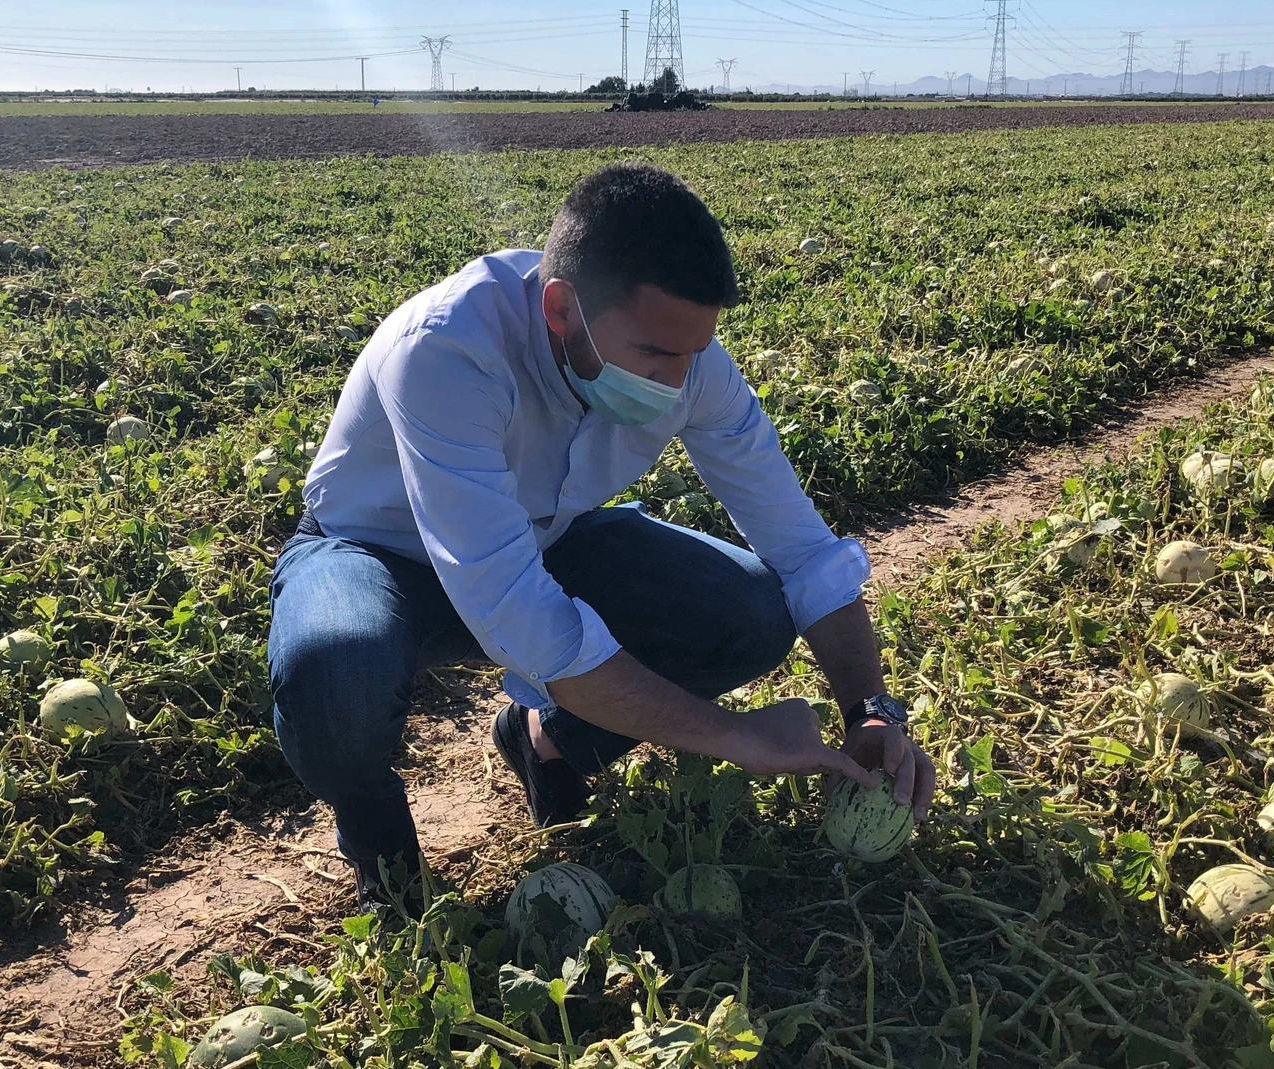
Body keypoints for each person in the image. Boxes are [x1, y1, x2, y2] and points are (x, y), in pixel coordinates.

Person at [265, 162, 936, 906]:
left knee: (748, 614)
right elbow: (523, 616)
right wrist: (736, 736)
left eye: (695, 352)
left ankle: (549, 743)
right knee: (335, 678)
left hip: (547, 536)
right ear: (560, 310)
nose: (680, 381)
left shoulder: (689, 362)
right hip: (374, 552)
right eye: (655, 356)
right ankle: (387, 868)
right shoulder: (447, 352)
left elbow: (803, 549)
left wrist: (871, 710)